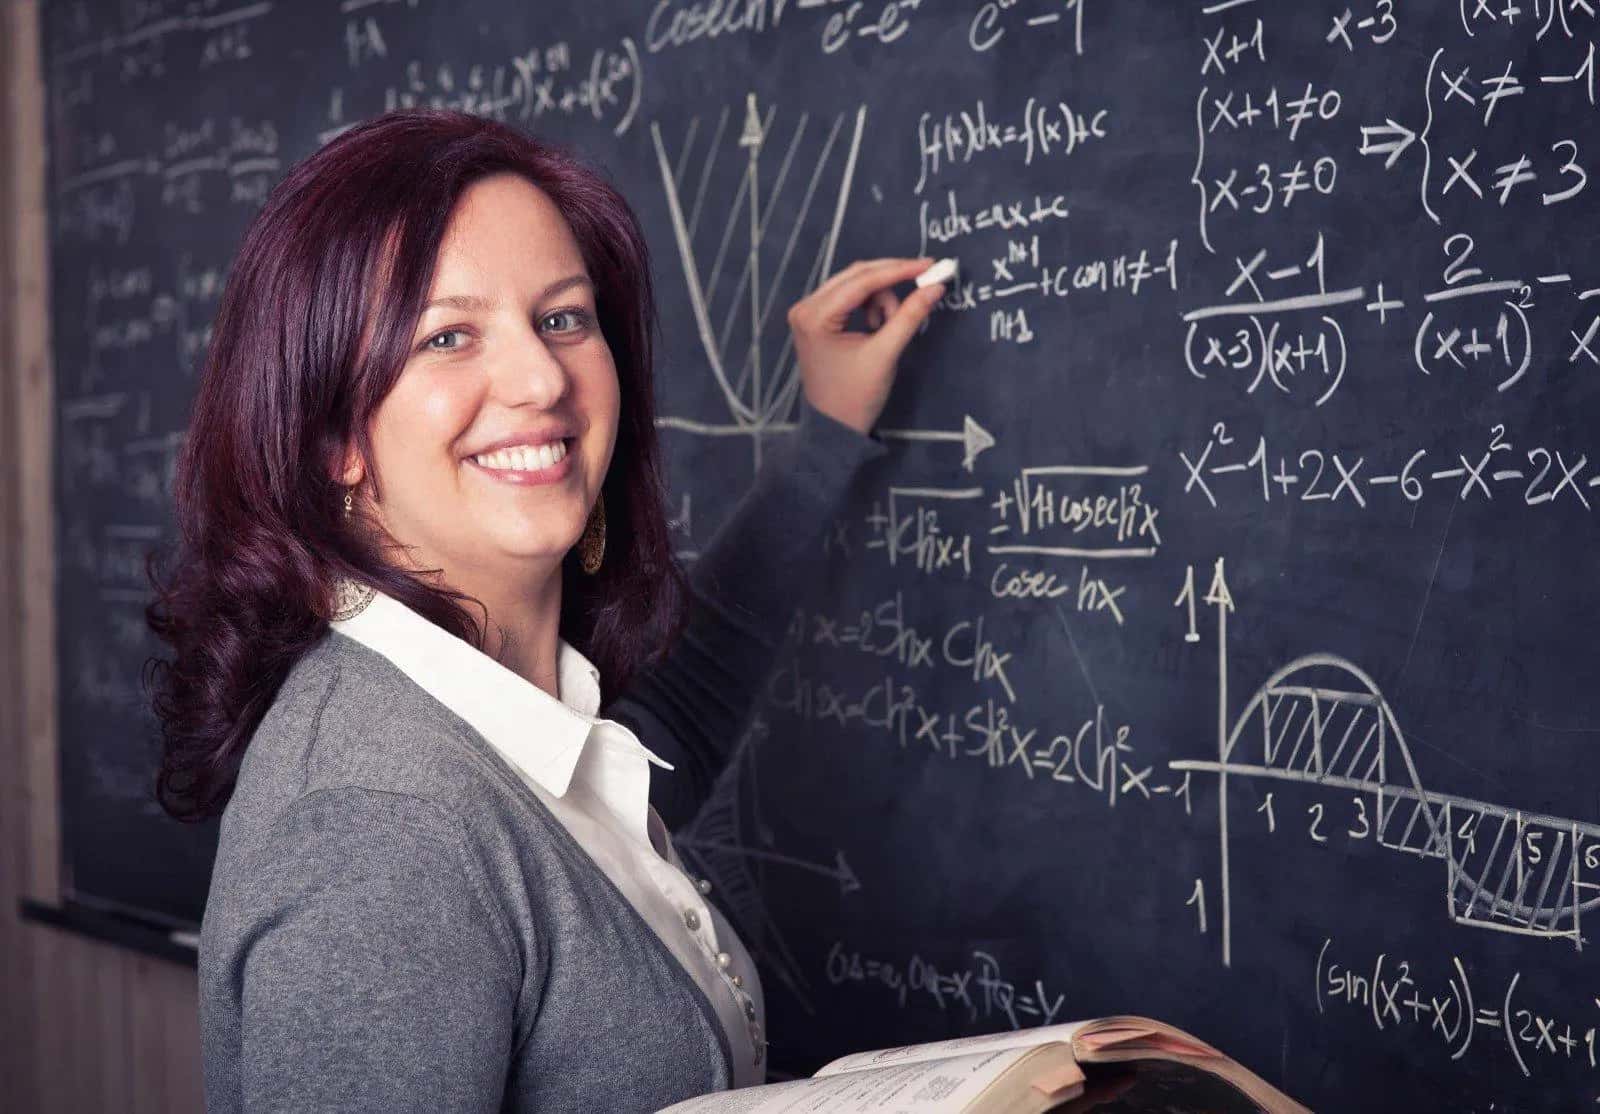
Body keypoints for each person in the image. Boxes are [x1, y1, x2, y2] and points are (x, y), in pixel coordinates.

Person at [143, 107, 945, 1113]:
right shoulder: (381, 832)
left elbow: (657, 746)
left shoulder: (485, 711)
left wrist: (824, 437)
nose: (540, 377)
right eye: (447, 335)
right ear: (331, 437)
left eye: (563, 318)